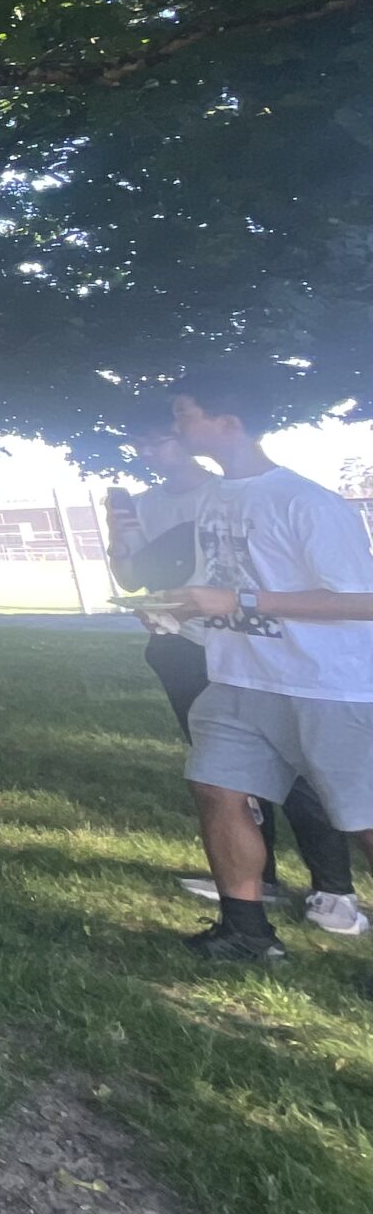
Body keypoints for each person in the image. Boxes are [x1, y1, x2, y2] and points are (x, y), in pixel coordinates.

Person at [146, 370, 373, 961]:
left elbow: (362, 600)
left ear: (229, 423)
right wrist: (176, 608)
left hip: (327, 688)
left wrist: (242, 603)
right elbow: (222, 583)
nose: (177, 427)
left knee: (363, 820)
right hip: (238, 678)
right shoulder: (216, 497)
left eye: (185, 414)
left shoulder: (306, 501)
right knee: (215, 788)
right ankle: (247, 933)